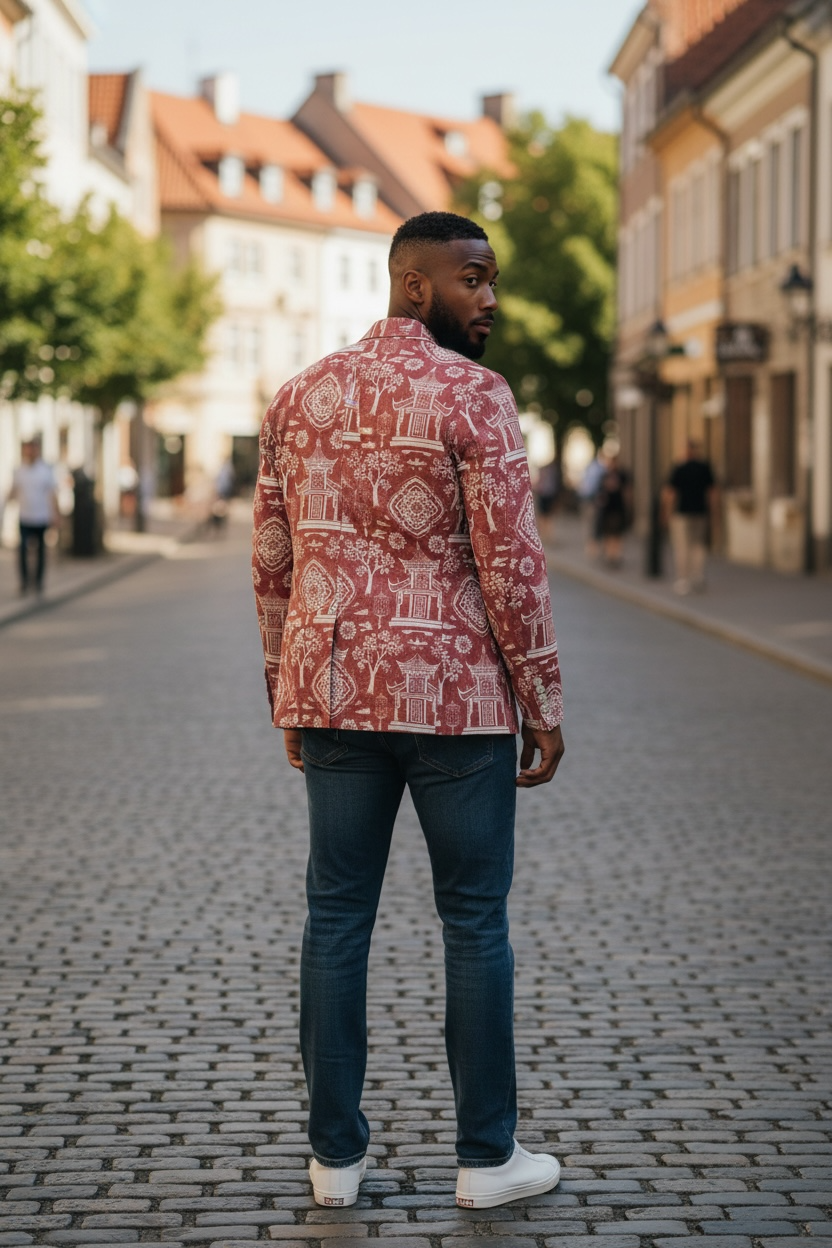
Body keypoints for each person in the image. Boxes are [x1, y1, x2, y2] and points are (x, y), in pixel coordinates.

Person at [252, 212, 565, 1211]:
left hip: (335, 691)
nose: (490, 299)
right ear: (413, 285)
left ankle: (333, 1165)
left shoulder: (298, 396)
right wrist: (542, 698)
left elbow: (272, 560)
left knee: (334, 918)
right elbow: (511, 564)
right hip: (457, 699)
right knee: (473, 920)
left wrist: (285, 691)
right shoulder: (476, 396)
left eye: (492, 279)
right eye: (473, 278)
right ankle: (486, 1162)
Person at [663, 440, 719, 594]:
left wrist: (667, 513)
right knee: (698, 546)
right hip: (700, 511)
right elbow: (712, 492)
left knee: (683, 547)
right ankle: (698, 577)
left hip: (682, 513)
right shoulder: (704, 467)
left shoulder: (679, 468)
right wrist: (714, 512)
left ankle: (684, 579)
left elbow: (670, 493)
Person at [7, 439, 59, 595]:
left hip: (41, 516)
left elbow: (52, 493)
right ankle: (24, 582)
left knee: (41, 551)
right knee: (22, 549)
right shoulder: (19, 471)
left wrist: (56, 514)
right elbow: (13, 491)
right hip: (25, 516)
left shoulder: (45, 470)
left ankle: (38, 582)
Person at [593, 454, 631, 567]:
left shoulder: (622, 475)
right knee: (608, 532)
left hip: (618, 508)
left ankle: (616, 554)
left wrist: (628, 505)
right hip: (607, 509)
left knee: (617, 533)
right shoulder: (604, 475)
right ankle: (610, 555)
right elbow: (599, 492)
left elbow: (627, 491)